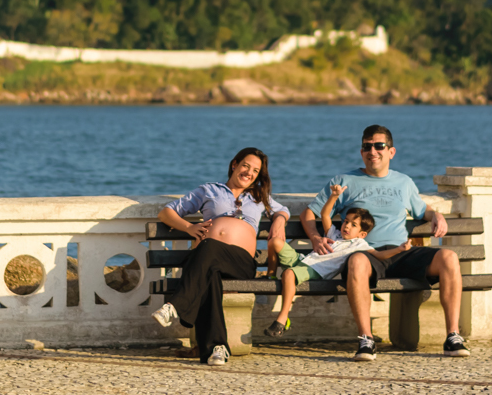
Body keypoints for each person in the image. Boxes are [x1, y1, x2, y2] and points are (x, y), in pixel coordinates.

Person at [303, 124, 468, 361]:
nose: (373, 151)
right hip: (366, 253)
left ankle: (453, 337)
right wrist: (316, 237)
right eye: (367, 147)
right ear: (362, 152)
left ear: (391, 151)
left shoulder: (404, 182)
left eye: (379, 146)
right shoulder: (345, 180)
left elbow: (423, 210)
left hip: (402, 252)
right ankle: (366, 340)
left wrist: (437, 215)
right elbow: (311, 213)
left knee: (449, 257)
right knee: (357, 262)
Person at [151, 147, 288, 366]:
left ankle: (176, 305)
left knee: (208, 247)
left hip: (240, 262)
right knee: (209, 276)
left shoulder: (259, 196)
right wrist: (188, 227)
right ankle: (218, 348)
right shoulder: (209, 190)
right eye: (246, 166)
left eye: (255, 170)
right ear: (234, 164)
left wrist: (279, 219)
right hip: (206, 260)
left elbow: (283, 210)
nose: (249, 173)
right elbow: (166, 212)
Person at [263, 185, 412, 337]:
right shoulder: (334, 233)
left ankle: (283, 319)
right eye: (346, 221)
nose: (346, 226)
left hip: (316, 270)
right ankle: (271, 274)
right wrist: (334, 196)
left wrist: (399, 249)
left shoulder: (359, 244)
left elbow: (379, 255)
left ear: (362, 234)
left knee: (289, 274)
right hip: (302, 260)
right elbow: (325, 214)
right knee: (275, 241)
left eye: (353, 225)